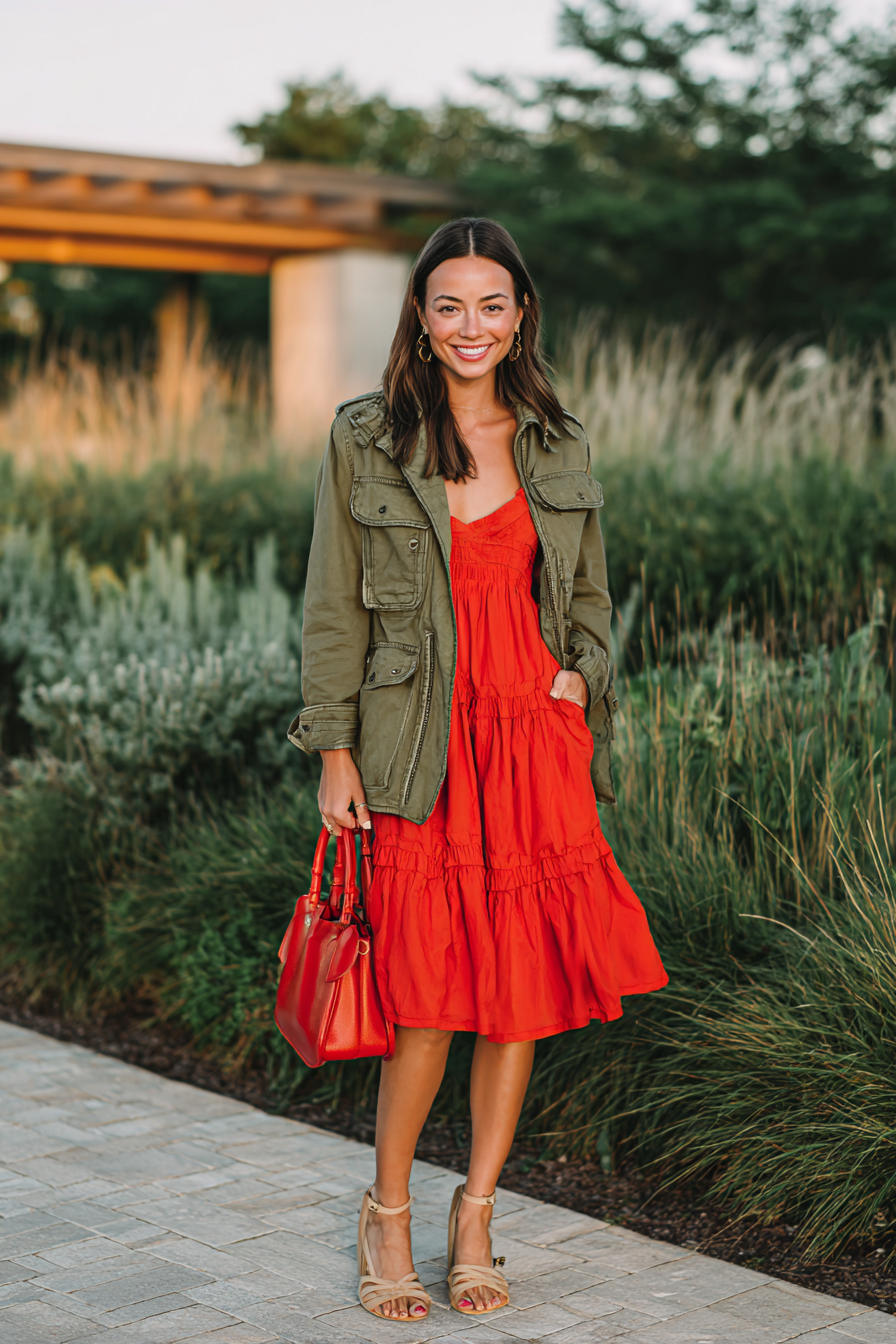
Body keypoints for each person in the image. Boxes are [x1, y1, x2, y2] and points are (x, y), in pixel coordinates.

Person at [289, 217, 668, 1323]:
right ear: (419, 314)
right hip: (418, 746)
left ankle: (478, 1214)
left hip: (531, 743)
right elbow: (330, 608)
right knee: (428, 1003)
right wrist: (333, 750)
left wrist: (578, 677)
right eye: (448, 304)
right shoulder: (365, 438)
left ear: (519, 316)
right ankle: (389, 1213)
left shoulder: (557, 439)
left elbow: (588, 595)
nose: (470, 325)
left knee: (519, 1000)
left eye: (490, 305)